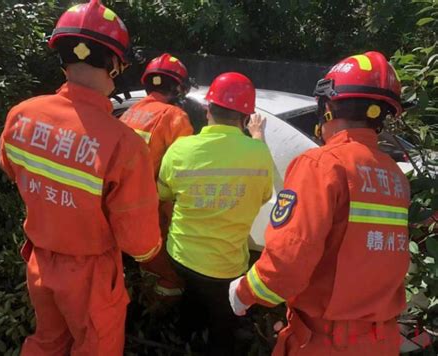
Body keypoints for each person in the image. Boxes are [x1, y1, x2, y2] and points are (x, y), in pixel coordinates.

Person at [0, 1, 161, 354]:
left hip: (40, 262)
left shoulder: (21, 116)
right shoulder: (122, 144)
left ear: (63, 54)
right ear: (114, 63)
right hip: (91, 275)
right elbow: (139, 241)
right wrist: (157, 261)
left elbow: (13, 171)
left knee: (47, 342)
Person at [229, 51, 411, 356]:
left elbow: (286, 264)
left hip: (325, 341)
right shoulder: (394, 176)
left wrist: (243, 293)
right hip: (382, 341)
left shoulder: (322, 165)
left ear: (327, 108)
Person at [157, 72, 274, 355]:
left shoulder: (180, 148)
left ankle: (184, 334)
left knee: (193, 295)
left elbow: (163, 194)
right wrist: (258, 137)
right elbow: (265, 195)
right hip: (225, 268)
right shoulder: (258, 154)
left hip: (180, 254)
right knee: (223, 323)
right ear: (246, 119)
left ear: (208, 109)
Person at [120, 53, 194, 299]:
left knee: (143, 263)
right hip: (152, 208)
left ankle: (142, 301)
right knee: (168, 273)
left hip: (120, 204)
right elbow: (183, 173)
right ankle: (160, 313)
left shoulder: (130, 113)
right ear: (178, 88)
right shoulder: (175, 117)